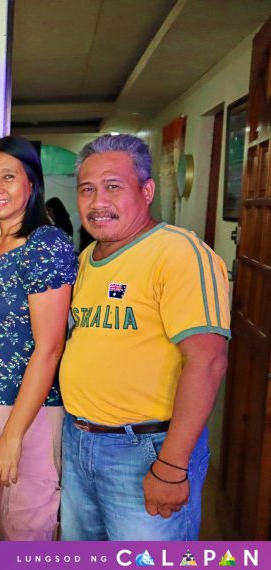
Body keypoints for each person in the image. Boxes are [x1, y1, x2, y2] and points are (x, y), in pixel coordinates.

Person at [59, 134, 230, 540]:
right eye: (87, 189)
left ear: (147, 190)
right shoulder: (87, 258)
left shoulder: (179, 253)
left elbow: (208, 361)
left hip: (146, 449)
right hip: (80, 441)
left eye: (113, 187)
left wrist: (171, 466)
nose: (98, 202)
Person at [0, 136, 76, 541]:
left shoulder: (46, 245)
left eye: (9, 176)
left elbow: (50, 349)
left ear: (32, 184)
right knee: (3, 519)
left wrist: (11, 438)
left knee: (30, 527)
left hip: (36, 409)